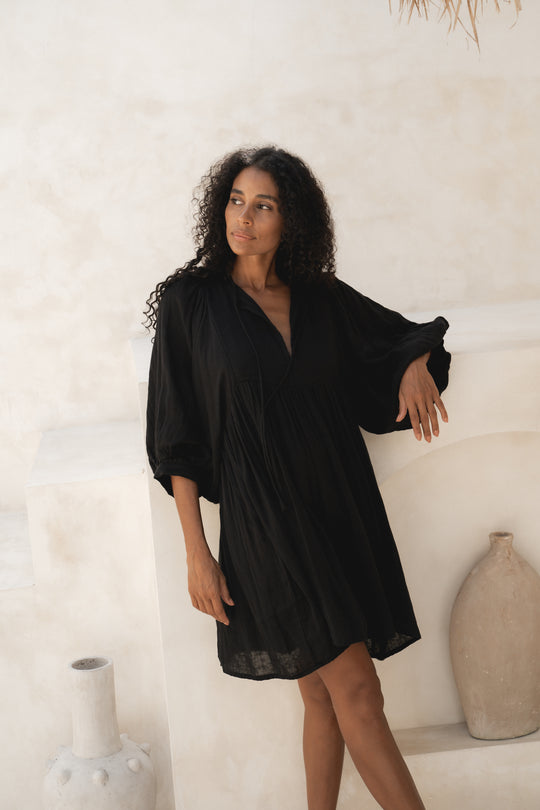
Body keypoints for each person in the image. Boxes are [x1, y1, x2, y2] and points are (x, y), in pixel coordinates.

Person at [145, 146, 451, 810]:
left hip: (338, 507)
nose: (244, 218)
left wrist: (414, 361)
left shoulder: (320, 298)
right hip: (264, 522)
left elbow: (401, 335)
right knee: (359, 692)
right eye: (236, 200)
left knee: (322, 693)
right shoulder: (191, 302)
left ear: (292, 221)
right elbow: (176, 438)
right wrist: (196, 552)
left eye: (264, 206)